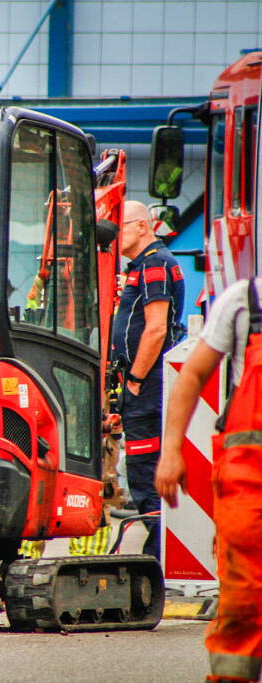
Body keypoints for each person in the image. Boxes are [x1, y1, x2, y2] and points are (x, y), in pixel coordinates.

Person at [158, 276, 262, 683]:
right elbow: (192, 376)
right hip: (250, 476)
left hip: (247, 474)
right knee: (243, 594)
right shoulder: (245, 300)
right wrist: (171, 451)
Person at [110, 200, 184, 560]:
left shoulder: (154, 263)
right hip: (143, 381)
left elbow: (155, 329)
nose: (115, 234)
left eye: (120, 225)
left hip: (148, 383)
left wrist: (136, 378)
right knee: (142, 466)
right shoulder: (142, 265)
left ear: (141, 226)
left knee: (144, 466)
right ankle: (159, 551)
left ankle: (161, 555)